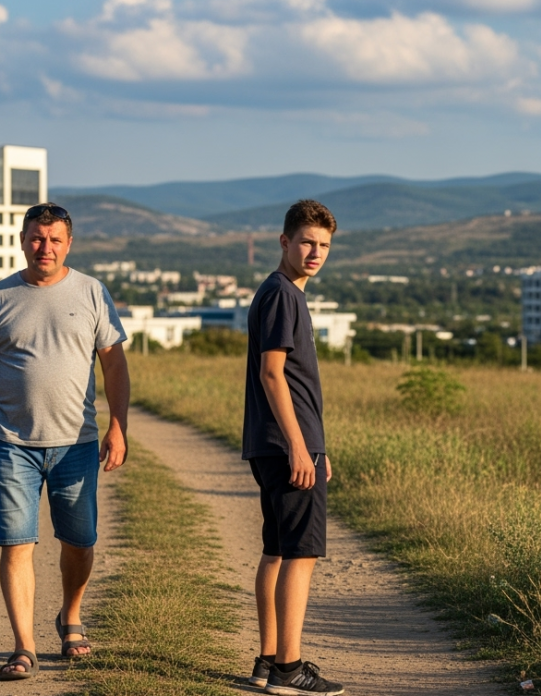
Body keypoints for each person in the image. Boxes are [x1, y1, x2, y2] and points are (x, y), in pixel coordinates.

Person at [0, 203, 130, 681]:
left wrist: (118, 426)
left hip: (76, 443)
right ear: (22, 241)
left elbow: (114, 363)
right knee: (16, 543)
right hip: (11, 443)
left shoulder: (92, 292)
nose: (44, 247)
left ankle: (71, 614)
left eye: (53, 240)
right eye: (36, 238)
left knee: (79, 542)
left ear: (68, 244)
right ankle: (23, 646)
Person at [242, 200, 345, 695]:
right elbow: (272, 373)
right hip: (287, 447)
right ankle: (289, 668)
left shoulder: (277, 291)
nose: (315, 252)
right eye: (306, 242)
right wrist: (300, 448)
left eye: (324, 245)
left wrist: (314, 446)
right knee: (299, 555)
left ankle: (268, 660)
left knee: (277, 551)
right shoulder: (284, 295)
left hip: (278, 445)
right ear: (285, 242)